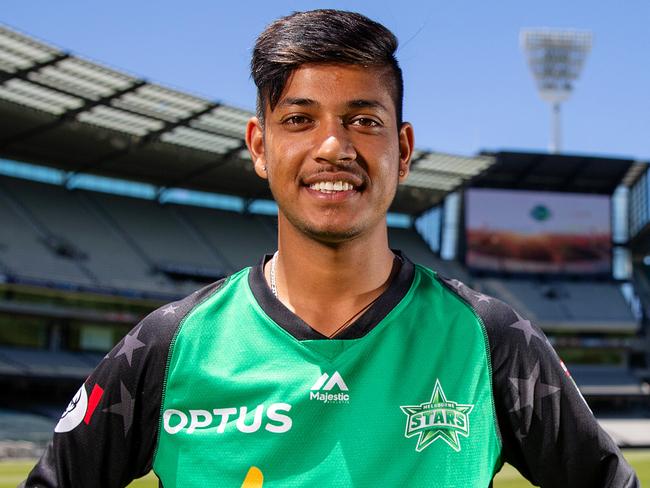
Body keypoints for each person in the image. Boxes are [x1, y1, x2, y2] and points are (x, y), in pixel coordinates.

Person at [24, 9, 638, 487]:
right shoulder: (169, 344)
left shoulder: (491, 339)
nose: (332, 148)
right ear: (259, 146)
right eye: (299, 120)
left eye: (363, 120)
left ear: (403, 149)